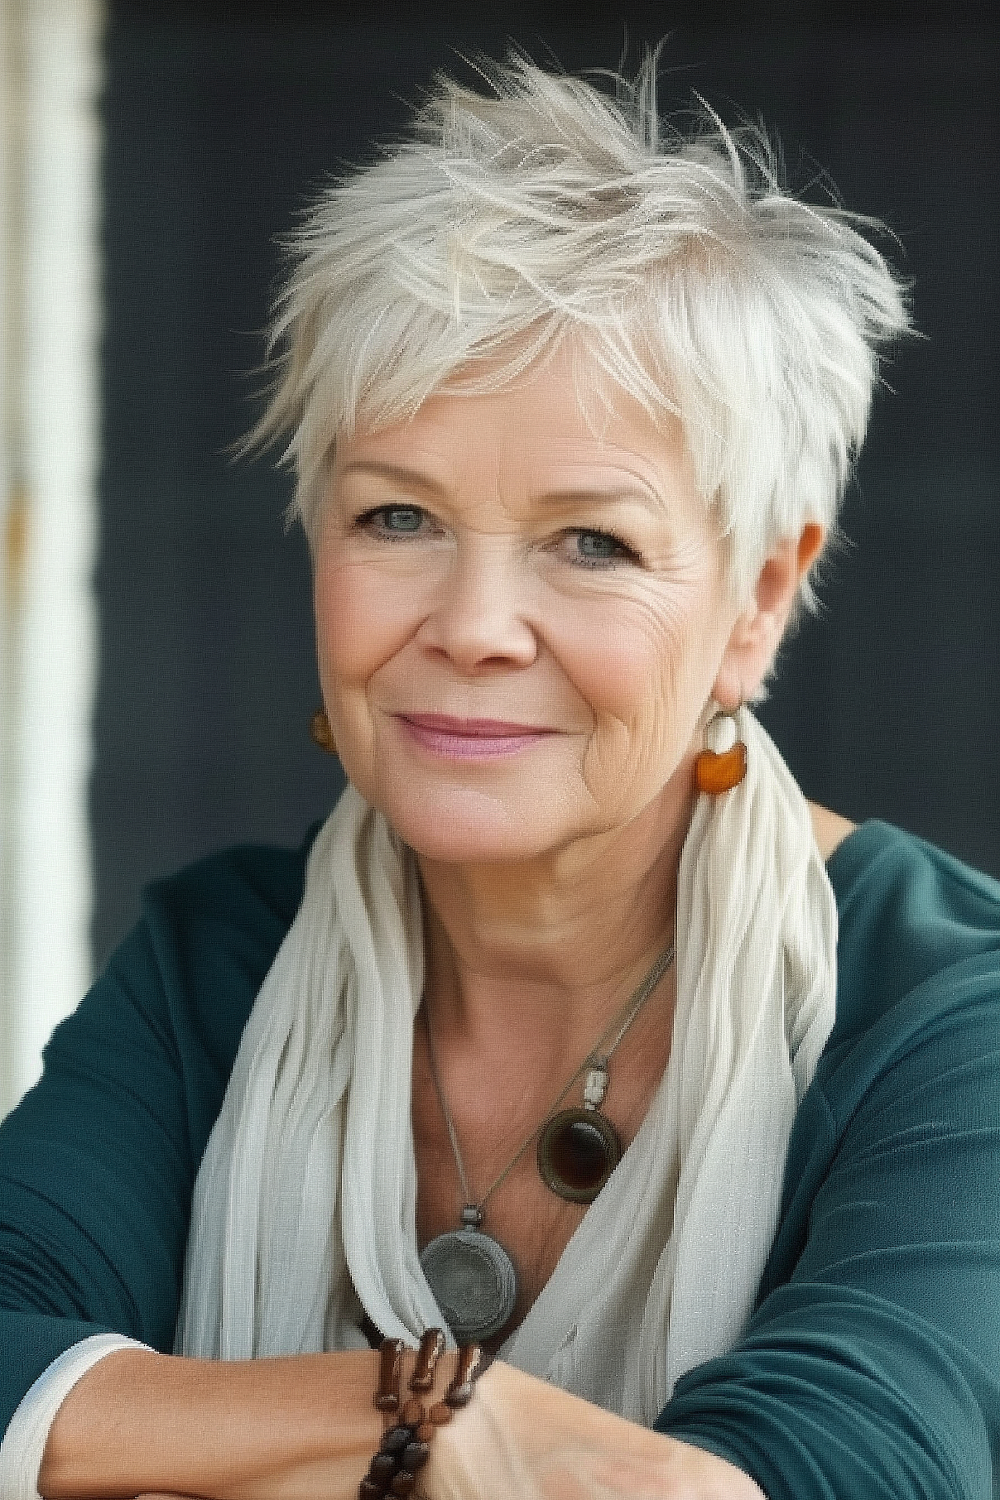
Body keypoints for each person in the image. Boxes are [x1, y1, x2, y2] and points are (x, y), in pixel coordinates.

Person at [2, 49, 999, 1500]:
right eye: (397, 516)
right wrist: (425, 1424)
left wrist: (192, 1433)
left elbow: (819, 1477)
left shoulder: (947, 1016)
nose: (469, 629)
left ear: (759, 603)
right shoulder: (215, 962)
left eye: (590, 541)